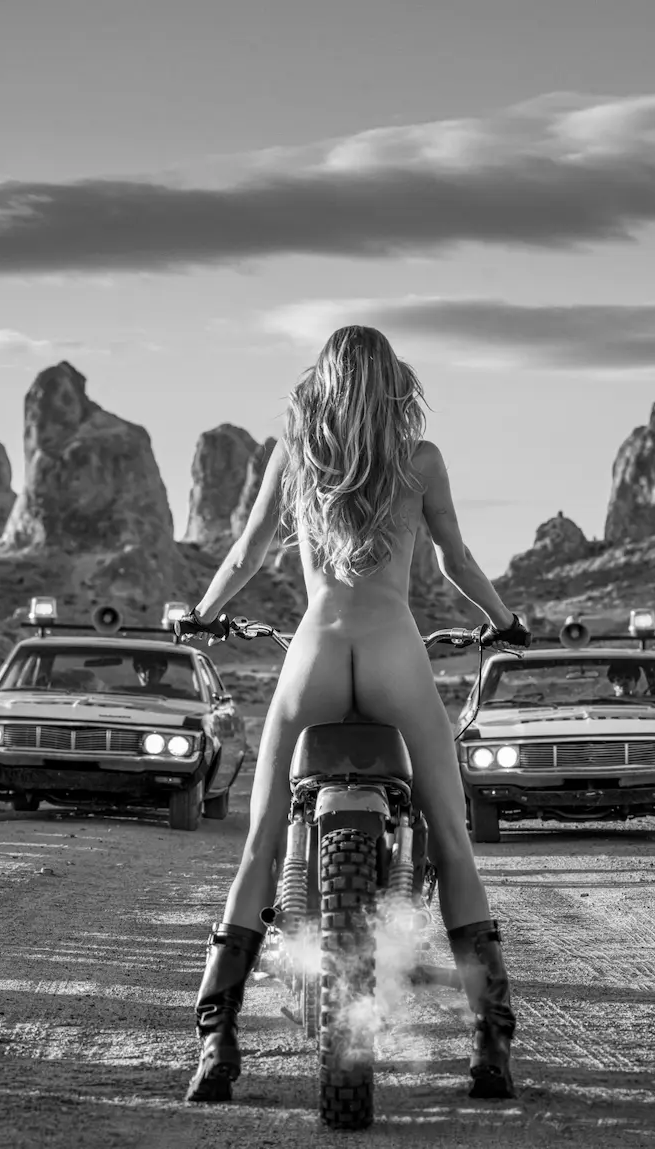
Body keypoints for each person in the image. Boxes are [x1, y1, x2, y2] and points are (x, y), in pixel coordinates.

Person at [173, 325, 531, 1105]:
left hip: (318, 652)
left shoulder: (297, 453)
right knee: (454, 840)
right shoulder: (420, 460)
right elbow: (457, 562)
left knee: (262, 844)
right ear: (394, 381)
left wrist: (200, 614)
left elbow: (245, 555)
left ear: (324, 382)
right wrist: (505, 621)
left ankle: (216, 1042)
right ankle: (493, 1047)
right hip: (397, 652)